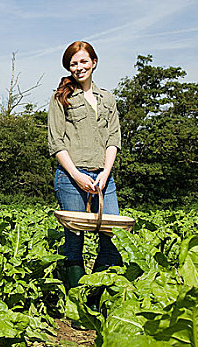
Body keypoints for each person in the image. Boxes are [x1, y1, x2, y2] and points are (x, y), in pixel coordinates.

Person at [47, 41, 122, 291]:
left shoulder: (108, 99)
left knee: (110, 234)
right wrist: (77, 175)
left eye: (83, 61)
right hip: (71, 178)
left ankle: (98, 293)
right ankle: (78, 299)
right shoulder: (62, 97)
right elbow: (56, 142)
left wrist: (105, 173)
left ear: (94, 62)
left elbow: (113, 139)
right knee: (74, 238)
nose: (78, 67)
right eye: (73, 63)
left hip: (103, 178)